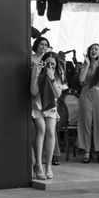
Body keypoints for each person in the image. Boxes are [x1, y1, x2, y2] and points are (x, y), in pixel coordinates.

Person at [30, 51, 64, 179]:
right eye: (48, 63)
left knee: (50, 131)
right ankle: (38, 165)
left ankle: (48, 165)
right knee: (41, 129)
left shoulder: (56, 76)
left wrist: (53, 79)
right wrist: (35, 74)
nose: (51, 66)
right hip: (38, 104)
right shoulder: (38, 72)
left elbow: (59, 94)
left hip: (50, 106)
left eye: (53, 64)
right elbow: (33, 91)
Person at [77, 43, 99, 163]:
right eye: (92, 49)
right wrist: (86, 65)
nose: (94, 51)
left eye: (96, 49)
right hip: (86, 93)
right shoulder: (85, 64)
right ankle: (86, 150)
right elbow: (81, 80)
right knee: (85, 121)